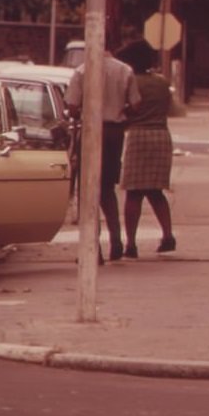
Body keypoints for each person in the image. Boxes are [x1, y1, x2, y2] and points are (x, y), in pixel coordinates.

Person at [65, 50, 141, 263]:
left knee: (87, 189)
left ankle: (93, 248)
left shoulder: (82, 71)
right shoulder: (125, 70)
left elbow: (71, 106)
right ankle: (116, 240)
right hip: (114, 133)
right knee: (107, 189)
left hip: (90, 131)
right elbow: (135, 104)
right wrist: (120, 111)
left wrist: (82, 109)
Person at [119, 40, 175, 258]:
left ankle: (131, 243)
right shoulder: (162, 83)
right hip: (161, 135)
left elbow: (126, 109)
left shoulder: (131, 83)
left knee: (133, 192)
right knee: (155, 191)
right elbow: (169, 108)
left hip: (138, 135)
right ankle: (168, 235)